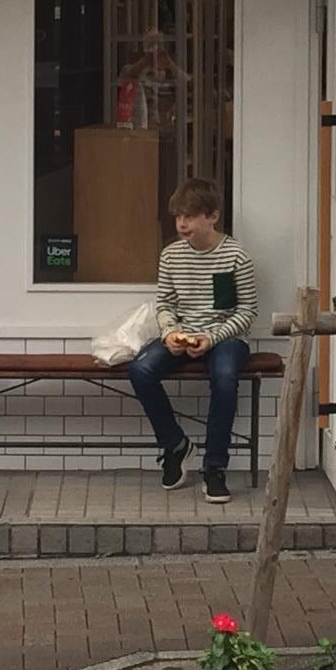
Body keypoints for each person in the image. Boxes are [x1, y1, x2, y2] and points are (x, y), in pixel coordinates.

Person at [127, 174, 256, 508]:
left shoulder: (235, 256)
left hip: (227, 336)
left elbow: (246, 311)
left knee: (226, 378)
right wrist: (170, 334)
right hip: (183, 334)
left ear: (211, 216)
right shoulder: (170, 256)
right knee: (141, 369)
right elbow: (166, 304)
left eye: (190, 216)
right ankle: (174, 445)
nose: (182, 224)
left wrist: (211, 338)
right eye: (178, 217)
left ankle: (215, 466)